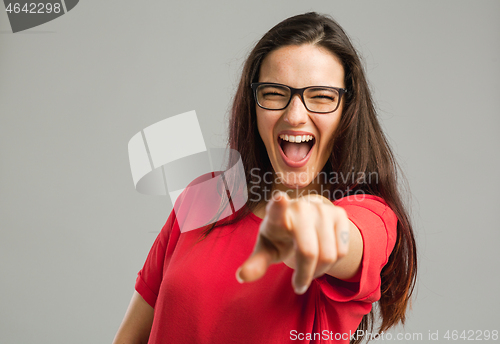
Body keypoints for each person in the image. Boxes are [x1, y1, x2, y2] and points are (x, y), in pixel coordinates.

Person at [113, 12, 417, 344]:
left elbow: (347, 240)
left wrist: (313, 224)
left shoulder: (371, 214)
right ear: (253, 104)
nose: (295, 115)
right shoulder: (206, 195)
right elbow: (130, 337)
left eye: (322, 97)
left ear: (348, 110)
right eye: (274, 93)